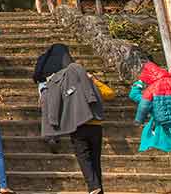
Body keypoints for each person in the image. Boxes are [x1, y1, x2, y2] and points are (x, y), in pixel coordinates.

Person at [40, 56, 114, 194]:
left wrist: (54, 122)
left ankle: (93, 187)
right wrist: (94, 80)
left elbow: (54, 99)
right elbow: (109, 93)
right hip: (95, 125)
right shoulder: (91, 83)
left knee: (83, 158)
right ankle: (98, 189)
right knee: (95, 159)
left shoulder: (64, 83)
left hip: (77, 125)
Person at [32, 43, 75, 152]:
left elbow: (36, 75)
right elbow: (72, 73)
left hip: (44, 87)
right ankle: (55, 135)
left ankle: (49, 135)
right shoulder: (66, 59)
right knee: (57, 110)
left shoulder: (43, 58)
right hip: (60, 88)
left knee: (46, 111)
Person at [129, 61, 171, 153]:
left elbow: (135, 97)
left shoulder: (152, 89)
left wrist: (139, 82)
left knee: (153, 137)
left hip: (159, 124)